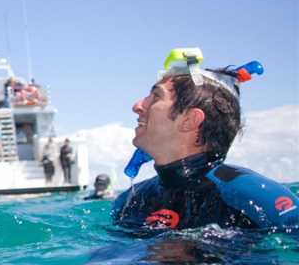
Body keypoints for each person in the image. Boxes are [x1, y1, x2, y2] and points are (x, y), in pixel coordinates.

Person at [112, 48, 298, 231]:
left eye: (156, 96)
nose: (137, 106)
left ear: (190, 120)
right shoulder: (132, 201)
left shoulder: (256, 198)